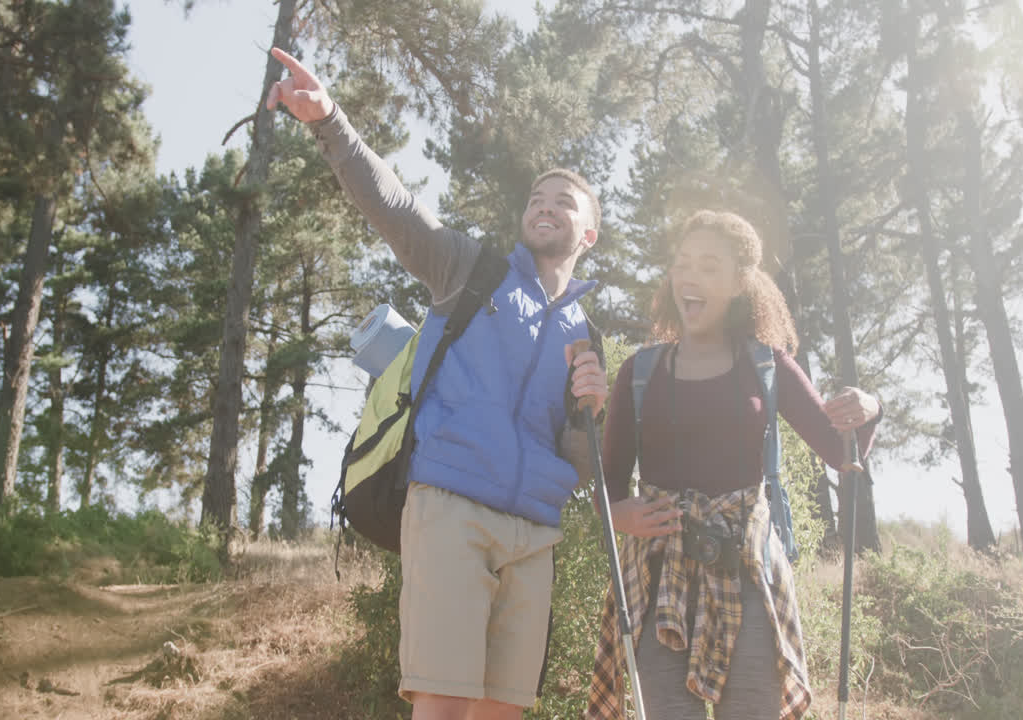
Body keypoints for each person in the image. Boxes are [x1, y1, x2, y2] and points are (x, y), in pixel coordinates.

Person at [264, 48, 610, 720]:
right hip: (450, 504)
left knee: (501, 712)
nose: (544, 206)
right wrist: (329, 121)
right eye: (536, 199)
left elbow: (580, 460)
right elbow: (394, 206)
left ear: (588, 233)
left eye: (563, 202)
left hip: (535, 531)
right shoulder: (469, 269)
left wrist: (589, 410)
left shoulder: (585, 336)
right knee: (445, 704)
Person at [584, 210, 881, 720]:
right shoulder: (639, 372)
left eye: (709, 266)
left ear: (740, 283)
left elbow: (841, 452)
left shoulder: (767, 365)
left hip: (748, 571)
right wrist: (618, 514)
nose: (690, 276)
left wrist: (871, 407)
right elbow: (607, 483)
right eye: (683, 264)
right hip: (657, 576)